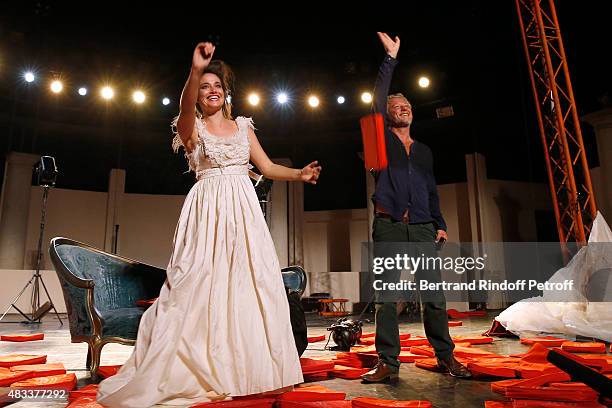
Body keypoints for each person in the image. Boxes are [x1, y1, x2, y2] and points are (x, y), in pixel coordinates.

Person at [97, 42, 321, 407]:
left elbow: (266, 168)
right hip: (208, 210)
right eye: (205, 86)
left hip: (244, 213)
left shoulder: (243, 127)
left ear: (226, 91)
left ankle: (249, 371)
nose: (211, 90)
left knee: (250, 286)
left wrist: (300, 174)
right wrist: (195, 71)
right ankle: (200, 367)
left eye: (217, 85)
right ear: (198, 95)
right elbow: (184, 105)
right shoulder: (191, 126)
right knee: (198, 284)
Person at [361, 32, 471, 383]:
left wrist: (439, 222)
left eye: (406, 105)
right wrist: (390, 59)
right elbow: (377, 100)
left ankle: (445, 357)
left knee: (434, 296)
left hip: (423, 227)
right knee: (386, 298)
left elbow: (430, 189)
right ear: (388, 114)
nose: (402, 108)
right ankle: (388, 364)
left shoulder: (424, 151)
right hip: (390, 225)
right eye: (396, 106)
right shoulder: (382, 140)